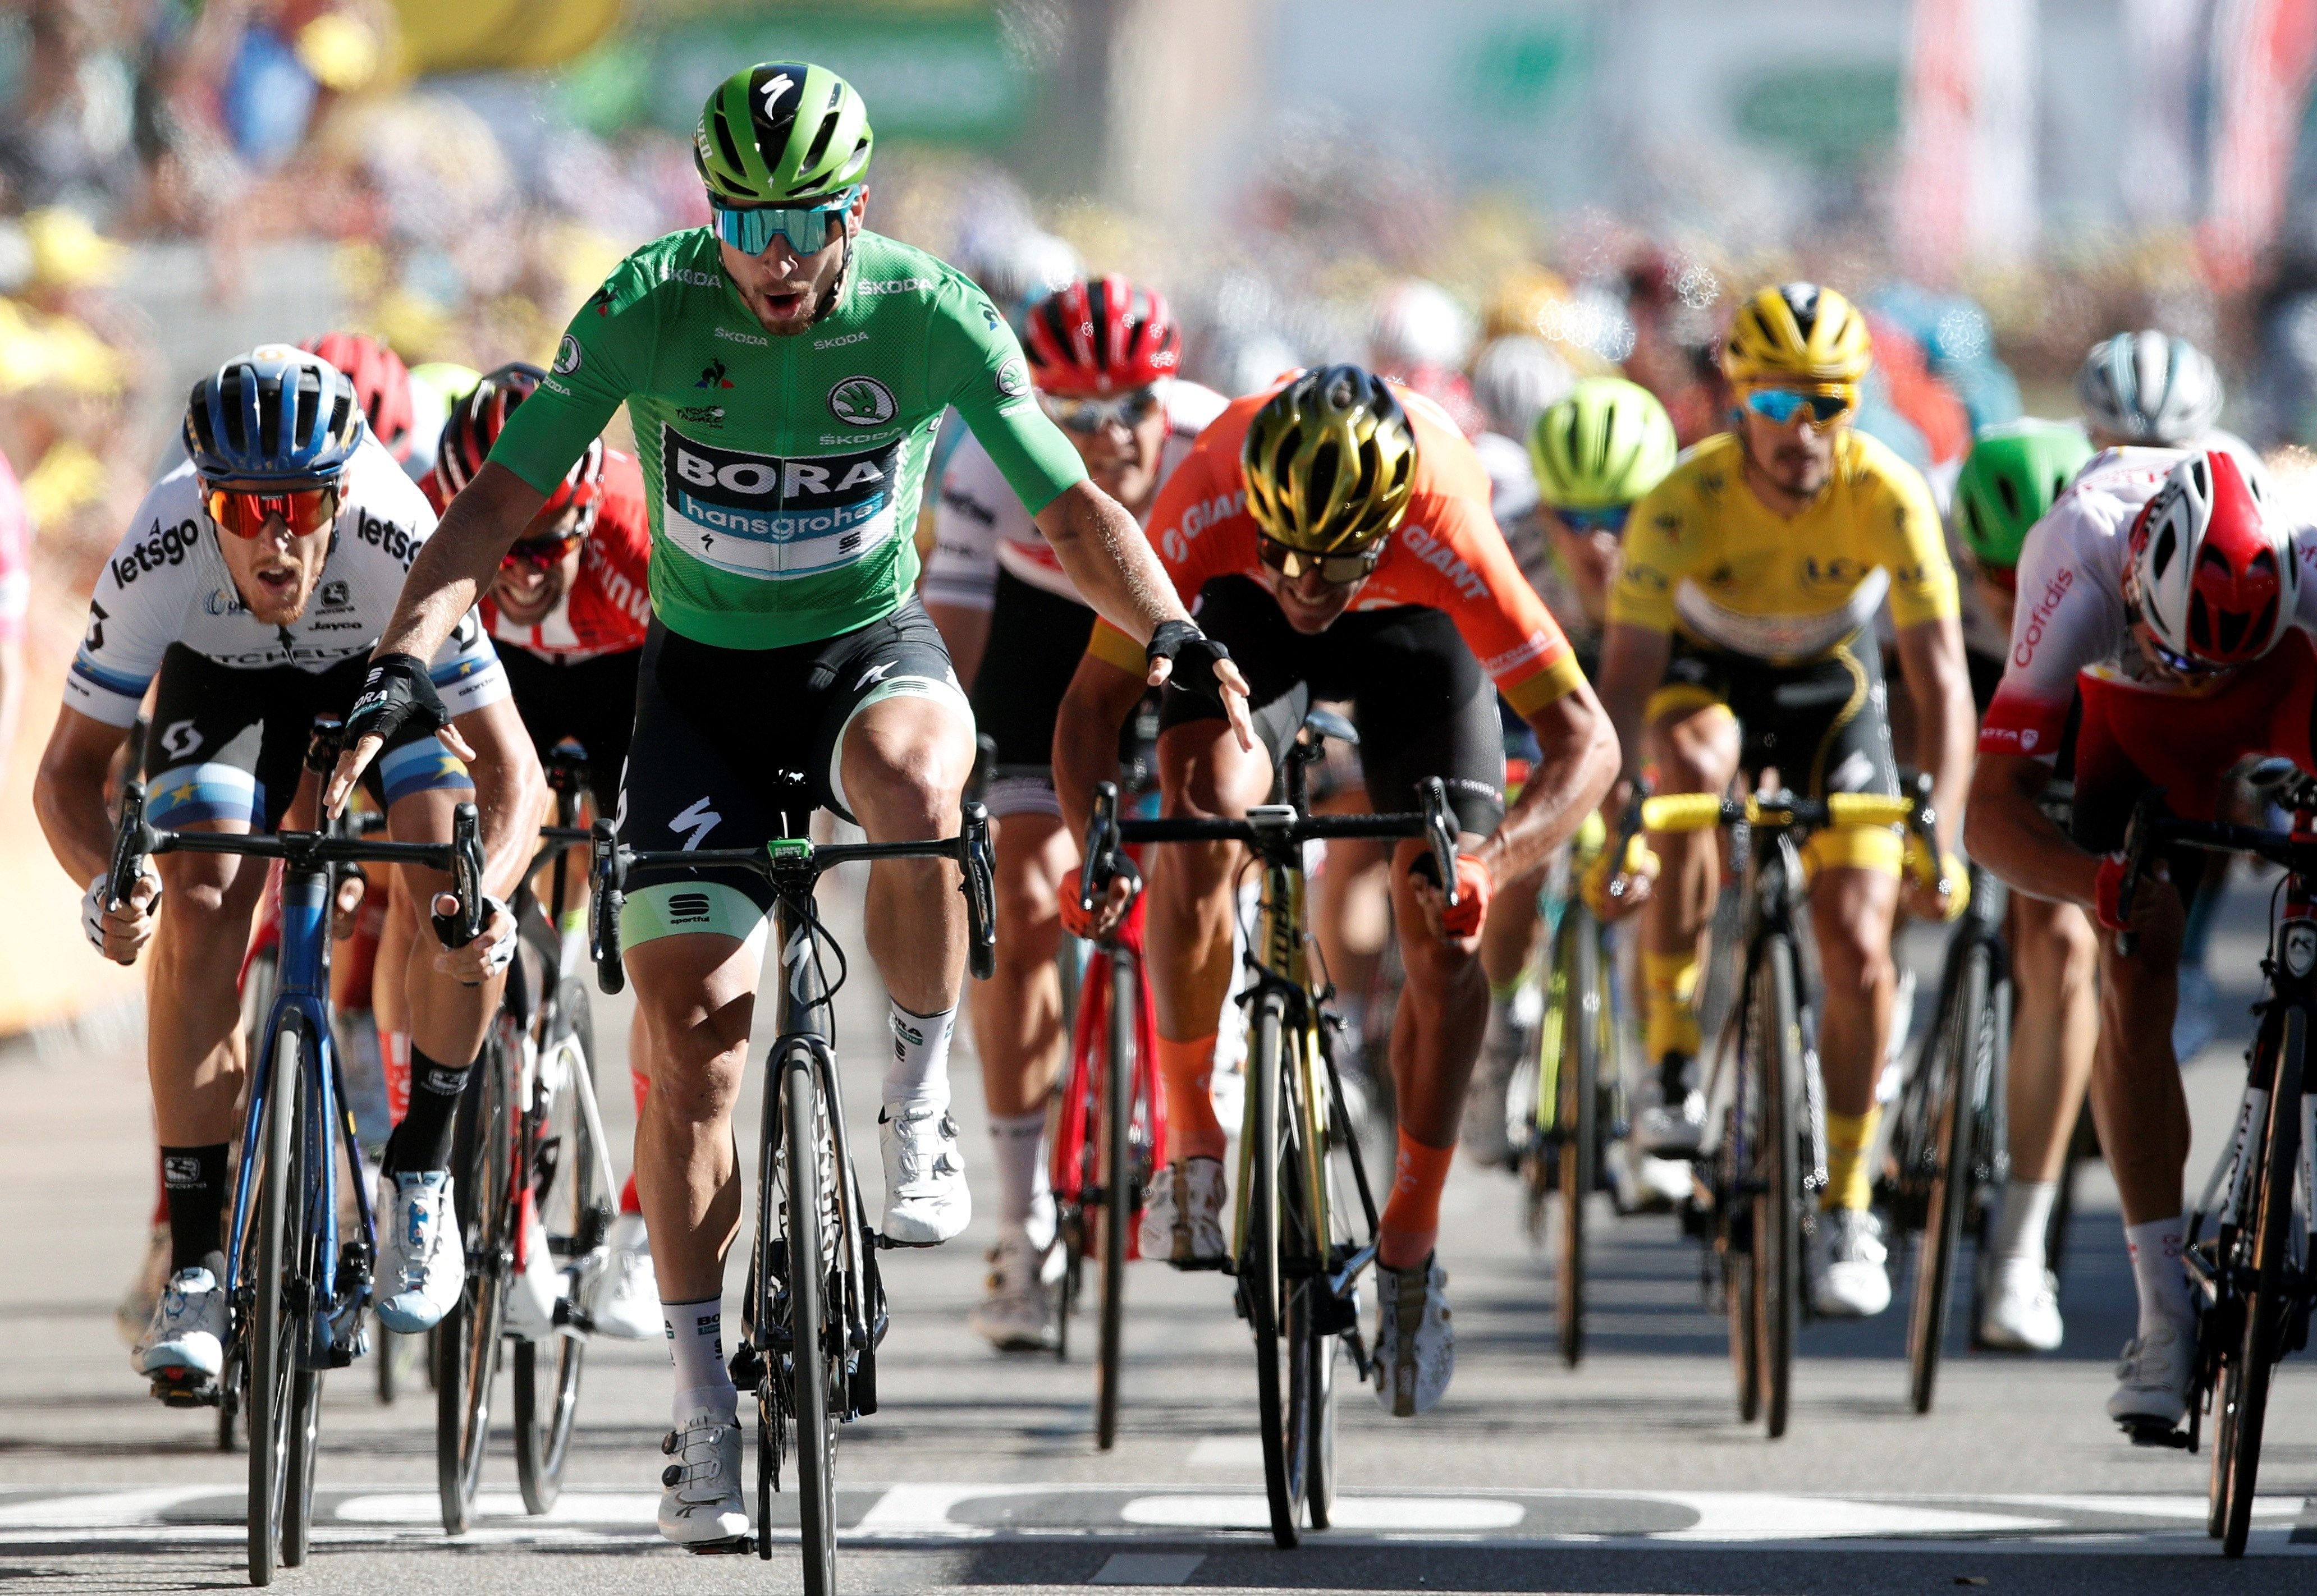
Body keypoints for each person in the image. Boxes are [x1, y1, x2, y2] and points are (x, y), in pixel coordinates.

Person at [317, 62, 1248, 1549]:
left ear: (856, 209)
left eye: (809, 219)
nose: (778, 255)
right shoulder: (647, 303)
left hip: (867, 653)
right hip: (701, 691)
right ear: (711, 215)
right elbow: (494, 506)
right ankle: (698, 1410)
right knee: (690, 1041)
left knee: (924, 782)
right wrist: (398, 666)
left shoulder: (931, 314)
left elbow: (1070, 511)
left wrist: (1182, 638)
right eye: (747, 221)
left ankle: (923, 1096)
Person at [1053, 364, 1619, 1416]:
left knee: (1443, 933)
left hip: (1416, 638)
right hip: (1240, 628)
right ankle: (1195, 1145)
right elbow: (1092, 708)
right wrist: (1099, 845)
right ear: (1256, 511)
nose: (1311, 582)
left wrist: (1494, 865)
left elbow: (1589, 742)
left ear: (1389, 521)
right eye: (1292, 553)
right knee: (1202, 807)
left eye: (1338, 559)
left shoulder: (1445, 512)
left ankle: (1408, 1253)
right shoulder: (1209, 486)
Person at [31, 346, 543, 1399]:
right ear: (203, 495)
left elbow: (516, 777)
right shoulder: (162, 541)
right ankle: (201, 1264)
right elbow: (66, 776)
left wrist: (487, 894)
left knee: (444, 860)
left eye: (302, 508)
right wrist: (102, 885)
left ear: (343, 493)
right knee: (202, 901)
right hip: (220, 693)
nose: (274, 536)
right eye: (243, 504)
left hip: (375, 676)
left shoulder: (400, 532)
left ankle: (423, 1174)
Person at [1593, 283, 1974, 1319]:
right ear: (1736, 403)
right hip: (1705, 681)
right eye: (1775, 406)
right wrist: (1618, 811)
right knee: (1690, 776)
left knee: (1857, 947)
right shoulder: (1683, 496)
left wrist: (1941, 830)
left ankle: (1850, 1200)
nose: (1802, 431)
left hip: (1831, 693)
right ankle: (1671, 1061)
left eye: (1829, 404)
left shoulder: (1889, 491)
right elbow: (1624, 683)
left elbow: (1940, 685)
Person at [1966, 446, 2317, 1434]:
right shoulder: (2075, 551)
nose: (2193, 677)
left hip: (2286, 683)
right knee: (2135, 958)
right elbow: (1988, 817)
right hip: (2131, 724)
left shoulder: (2309, 557)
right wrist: (2096, 883)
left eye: (2210, 661)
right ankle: (2165, 1315)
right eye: (2179, 651)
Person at [921, 274, 1228, 1352]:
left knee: (1219, 822)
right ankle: (1024, 1221)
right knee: (1021, 887)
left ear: (1168, 395)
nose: (1109, 439)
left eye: (1130, 408)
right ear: (1040, 411)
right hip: (1042, 638)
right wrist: (936, 767)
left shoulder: (1212, 442)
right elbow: (950, 642)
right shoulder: (980, 465)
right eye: (1077, 417)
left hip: (1180, 617)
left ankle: (1213, 1036)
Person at [426, 361, 664, 1341]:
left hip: (624, 684)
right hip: (503, 684)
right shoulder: (441, 526)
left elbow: (696, 695)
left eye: (547, 547)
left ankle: (646, 1234)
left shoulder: (635, 540)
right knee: (449, 867)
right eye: (503, 548)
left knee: (670, 932)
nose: (521, 570)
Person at [1949, 420, 2099, 1351]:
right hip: (1950, 686)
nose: (2012, 598)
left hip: (2067, 699)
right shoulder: (1924, 541)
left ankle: (2019, 1245)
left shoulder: (2089, 571)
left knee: (2062, 944)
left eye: (2028, 580)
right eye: (1995, 581)